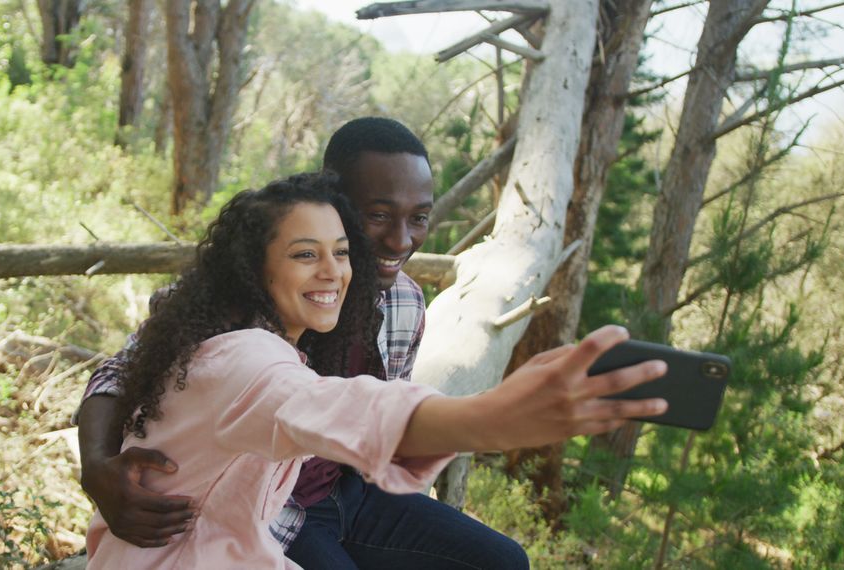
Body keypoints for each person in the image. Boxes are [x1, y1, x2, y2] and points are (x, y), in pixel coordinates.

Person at [75, 117, 653, 568]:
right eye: (377, 215)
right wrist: (98, 466)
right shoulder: (230, 318)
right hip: (274, 509)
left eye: (419, 218)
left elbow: (376, 406)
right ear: (332, 200)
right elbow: (312, 401)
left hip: (348, 491)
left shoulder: (402, 302)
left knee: (502, 560)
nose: (400, 240)